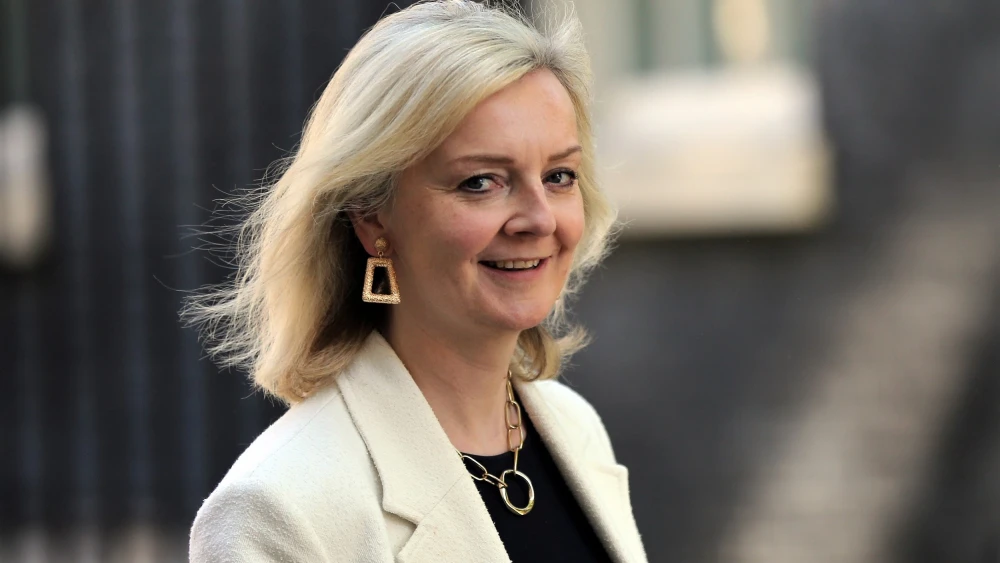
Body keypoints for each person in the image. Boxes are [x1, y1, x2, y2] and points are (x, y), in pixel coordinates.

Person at [186, 1, 646, 561]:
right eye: (480, 182)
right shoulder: (278, 508)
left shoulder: (575, 430)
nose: (540, 219)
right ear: (372, 216)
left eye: (559, 176)